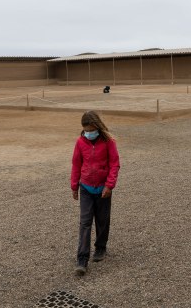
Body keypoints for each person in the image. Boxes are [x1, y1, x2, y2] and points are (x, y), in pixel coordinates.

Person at [70, 111, 121, 275]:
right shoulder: (80, 142)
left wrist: (109, 185)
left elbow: (114, 164)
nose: (89, 133)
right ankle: (82, 259)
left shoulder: (108, 142)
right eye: (86, 130)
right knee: (85, 223)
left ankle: (100, 247)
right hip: (86, 188)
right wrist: (74, 186)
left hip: (103, 189)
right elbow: (76, 164)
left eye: (91, 130)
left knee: (102, 220)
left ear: (97, 127)